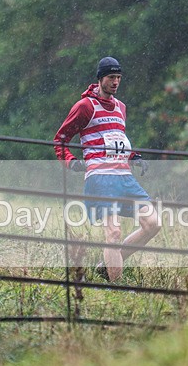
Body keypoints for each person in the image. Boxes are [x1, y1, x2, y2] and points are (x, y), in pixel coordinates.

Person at [54, 56, 160, 281]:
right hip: (100, 177)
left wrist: (134, 157)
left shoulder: (121, 108)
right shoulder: (85, 106)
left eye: (119, 78)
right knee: (113, 232)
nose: (115, 82)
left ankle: (108, 265)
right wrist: (71, 162)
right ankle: (116, 286)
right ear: (100, 78)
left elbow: (116, 140)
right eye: (111, 77)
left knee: (153, 224)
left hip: (124, 177)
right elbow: (60, 139)